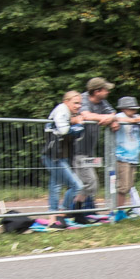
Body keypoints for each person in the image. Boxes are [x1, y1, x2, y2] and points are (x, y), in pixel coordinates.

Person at [71, 77, 116, 217]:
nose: (108, 91)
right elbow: (86, 114)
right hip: (77, 150)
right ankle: (74, 211)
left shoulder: (102, 101)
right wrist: (104, 118)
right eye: (105, 89)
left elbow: (112, 113)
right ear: (97, 91)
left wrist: (110, 119)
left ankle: (78, 211)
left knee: (85, 183)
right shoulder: (82, 99)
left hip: (90, 151)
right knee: (90, 183)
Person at [41, 91, 85, 229]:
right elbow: (65, 130)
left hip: (60, 155)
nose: (79, 106)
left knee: (55, 186)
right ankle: (62, 213)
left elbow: (74, 135)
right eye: (76, 103)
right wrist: (78, 125)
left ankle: (53, 220)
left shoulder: (67, 112)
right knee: (77, 186)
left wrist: (76, 123)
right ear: (66, 101)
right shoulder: (62, 109)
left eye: (80, 103)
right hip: (53, 156)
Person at [113, 96, 140, 213]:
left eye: (135, 109)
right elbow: (118, 120)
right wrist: (136, 120)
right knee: (123, 186)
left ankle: (124, 210)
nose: (134, 111)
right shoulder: (120, 116)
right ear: (124, 108)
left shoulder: (137, 117)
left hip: (133, 157)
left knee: (129, 185)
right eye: (131, 109)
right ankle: (117, 211)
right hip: (122, 156)